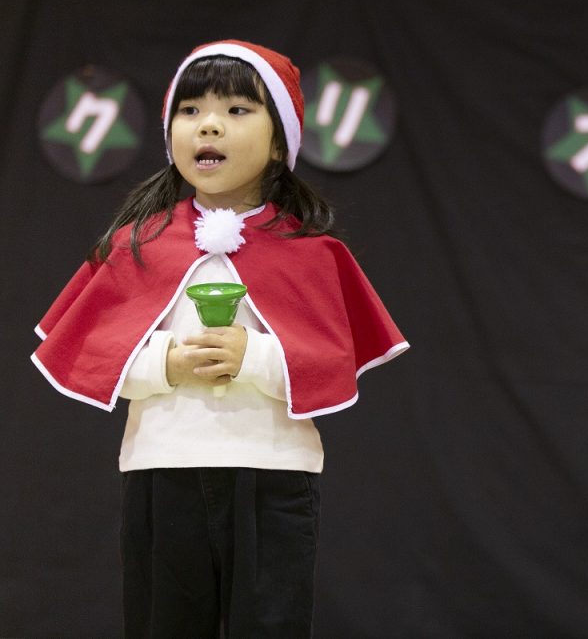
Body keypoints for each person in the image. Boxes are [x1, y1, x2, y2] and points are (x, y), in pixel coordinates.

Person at [31, 40, 409, 637]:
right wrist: (166, 362)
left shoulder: (311, 253)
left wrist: (252, 356)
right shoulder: (137, 243)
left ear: (280, 140)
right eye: (190, 110)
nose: (208, 124)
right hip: (161, 468)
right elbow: (98, 355)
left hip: (274, 473)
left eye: (237, 109)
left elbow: (329, 367)